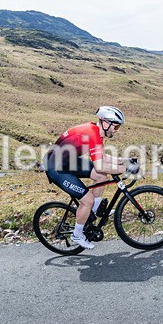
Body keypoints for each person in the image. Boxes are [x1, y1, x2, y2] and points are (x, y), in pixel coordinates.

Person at [44, 106, 139, 250]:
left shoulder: (97, 133)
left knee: (100, 176)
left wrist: (123, 160)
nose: (117, 130)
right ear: (106, 122)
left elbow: (103, 158)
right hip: (55, 168)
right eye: (116, 126)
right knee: (87, 199)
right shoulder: (92, 134)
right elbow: (100, 165)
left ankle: (92, 212)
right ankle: (77, 234)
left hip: (68, 161)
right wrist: (125, 169)